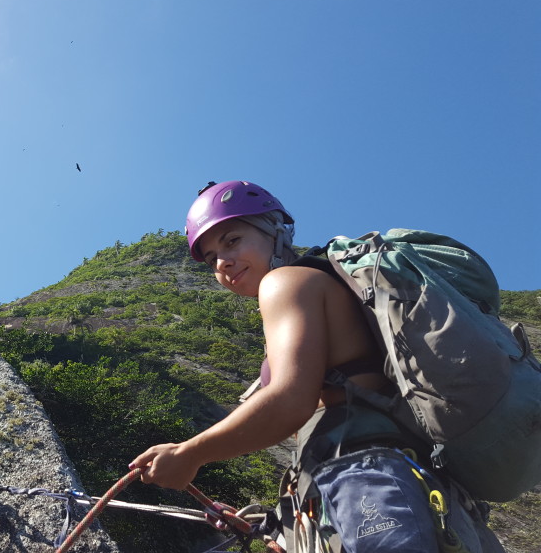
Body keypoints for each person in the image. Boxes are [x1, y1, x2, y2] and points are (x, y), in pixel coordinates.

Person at [130, 181, 503, 552]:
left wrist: (188, 455)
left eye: (232, 240)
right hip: (399, 485)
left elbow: (290, 401)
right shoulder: (326, 288)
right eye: (212, 259)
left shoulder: (285, 283)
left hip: (367, 480)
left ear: (275, 231)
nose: (223, 262)